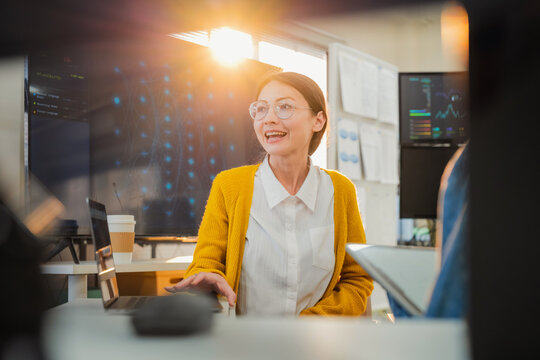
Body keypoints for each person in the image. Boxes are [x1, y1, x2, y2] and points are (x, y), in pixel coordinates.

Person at [165, 72, 373, 316]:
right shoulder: (229, 185)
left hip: (315, 347)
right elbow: (205, 263)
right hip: (244, 346)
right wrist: (207, 277)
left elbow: (358, 280)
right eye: (261, 109)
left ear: (318, 121)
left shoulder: (340, 190)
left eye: (285, 107)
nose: (269, 119)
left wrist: (311, 324)